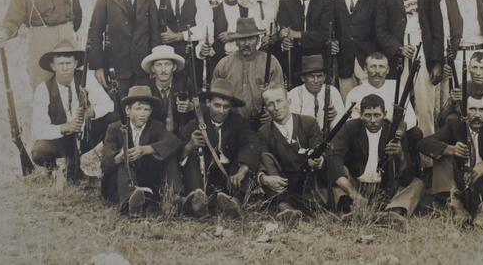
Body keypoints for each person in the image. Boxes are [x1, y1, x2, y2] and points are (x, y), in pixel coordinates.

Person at [417, 93, 483, 228]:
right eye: (472, 109)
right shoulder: (454, 124)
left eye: (481, 110)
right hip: (461, 186)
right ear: (464, 111)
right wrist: (450, 149)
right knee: (441, 151)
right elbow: (424, 143)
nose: (477, 114)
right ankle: (455, 205)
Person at [376, 0, 444, 136]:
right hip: (400, 53)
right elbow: (380, 31)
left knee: (425, 103)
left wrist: (437, 61)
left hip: (424, 49)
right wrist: (398, 48)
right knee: (399, 102)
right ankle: (402, 151)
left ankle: (428, 155)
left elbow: (438, 30)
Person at [328, 94, 425, 224]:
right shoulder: (350, 128)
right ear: (360, 115)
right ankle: (348, 211)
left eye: (377, 115)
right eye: (368, 115)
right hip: (356, 184)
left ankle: (392, 213)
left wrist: (400, 155)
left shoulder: (393, 131)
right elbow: (334, 157)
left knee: (417, 184)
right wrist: (353, 193)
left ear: (384, 114)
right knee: (338, 173)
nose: (373, 120)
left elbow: (406, 177)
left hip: (384, 188)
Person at [31, 40, 116, 181]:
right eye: (60, 64)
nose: (65, 68)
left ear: (76, 64)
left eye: (69, 63)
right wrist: (64, 128)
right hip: (60, 139)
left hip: (85, 136)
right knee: (39, 151)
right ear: (53, 66)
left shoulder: (86, 78)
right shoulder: (43, 89)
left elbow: (109, 104)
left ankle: (106, 163)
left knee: (114, 119)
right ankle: (55, 169)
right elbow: (38, 128)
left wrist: (92, 112)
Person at [178, 79, 261, 218]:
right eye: (217, 105)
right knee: (191, 157)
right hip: (205, 178)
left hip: (229, 176)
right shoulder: (195, 123)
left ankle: (234, 203)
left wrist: (242, 171)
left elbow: (252, 143)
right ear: (208, 103)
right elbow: (178, 155)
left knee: (243, 162)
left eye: (226, 107)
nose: (221, 111)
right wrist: (189, 146)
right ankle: (196, 200)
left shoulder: (238, 122)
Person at [101, 86, 184, 216]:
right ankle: (130, 203)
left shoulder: (156, 126)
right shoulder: (115, 128)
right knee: (124, 163)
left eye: (147, 109)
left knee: (168, 154)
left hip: (147, 180)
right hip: (121, 183)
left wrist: (147, 149)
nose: (143, 113)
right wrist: (120, 157)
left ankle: (174, 197)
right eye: (138, 108)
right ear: (128, 110)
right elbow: (105, 163)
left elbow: (174, 142)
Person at [88, 0, 161, 97]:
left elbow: (155, 33)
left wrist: (155, 63)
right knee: (118, 110)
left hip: (143, 67)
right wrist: (98, 67)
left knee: (142, 105)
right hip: (116, 68)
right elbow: (95, 33)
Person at [257, 84, 328, 222]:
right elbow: (262, 160)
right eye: (270, 104)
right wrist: (265, 179)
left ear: (288, 101)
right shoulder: (263, 132)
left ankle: (295, 206)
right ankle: (286, 208)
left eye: (279, 101)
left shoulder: (308, 123)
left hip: (308, 180)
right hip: (282, 184)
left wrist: (319, 160)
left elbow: (319, 148)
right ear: (266, 109)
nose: (276, 107)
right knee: (265, 156)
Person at [212, 17, 284, 128]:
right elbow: (215, 98)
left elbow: (279, 93)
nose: (246, 43)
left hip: (262, 124)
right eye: (241, 39)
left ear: (258, 40)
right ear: (236, 41)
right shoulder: (224, 64)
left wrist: (271, 112)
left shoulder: (271, 62)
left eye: (250, 38)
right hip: (231, 125)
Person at [155, 0, 214, 87]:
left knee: (192, 93)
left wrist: (179, 36)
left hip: (191, 57)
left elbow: (205, 28)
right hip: (166, 58)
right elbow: (153, 24)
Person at [278, 0, 334, 87]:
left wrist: (298, 34)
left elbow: (324, 33)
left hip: (318, 57)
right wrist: (284, 36)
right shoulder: (286, 1)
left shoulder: (326, 2)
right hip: (293, 57)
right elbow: (283, 27)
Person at [333, 0, 379, 100]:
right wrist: (332, 43)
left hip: (368, 62)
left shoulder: (374, 0)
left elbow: (380, 31)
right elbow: (332, 31)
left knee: (371, 102)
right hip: (344, 64)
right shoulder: (335, 3)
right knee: (348, 104)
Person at [345, 52, 417, 130]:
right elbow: (351, 123)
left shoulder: (396, 86)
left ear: (388, 69)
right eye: (373, 66)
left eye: (381, 66)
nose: (377, 71)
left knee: (416, 133)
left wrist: (402, 127)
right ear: (365, 69)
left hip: (392, 131)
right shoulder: (355, 93)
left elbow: (411, 117)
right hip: (366, 134)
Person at [141, 45, 194, 135]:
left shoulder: (184, 83)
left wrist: (190, 106)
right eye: (158, 65)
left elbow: (202, 106)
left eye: (167, 64)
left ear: (174, 67)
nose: (163, 70)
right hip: (154, 137)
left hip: (180, 135)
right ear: (153, 69)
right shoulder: (146, 88)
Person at [204, 0, 249, 66]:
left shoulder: (247, 12)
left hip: (242, 63)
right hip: (218, 63)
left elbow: (254, 36)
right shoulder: (212, 12)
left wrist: (235, 36)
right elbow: (206, 39)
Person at [288, 55, 345, 131]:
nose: (316, 81)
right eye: (312, 76)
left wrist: (334, 118)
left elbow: (342, 127)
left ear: (324, 77)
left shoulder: (332, 92)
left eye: (319, 76)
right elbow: (290, 127)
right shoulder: (293, 95)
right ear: (303, 78)